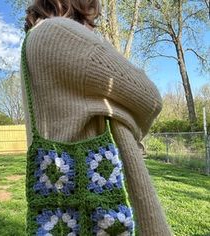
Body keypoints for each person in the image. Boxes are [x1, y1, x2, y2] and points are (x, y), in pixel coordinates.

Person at [21, 0, 172, 235]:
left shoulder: (34, 38)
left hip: (60, 198)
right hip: (92, 204)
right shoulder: (59, 32)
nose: (98, 10)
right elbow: (148, 97)